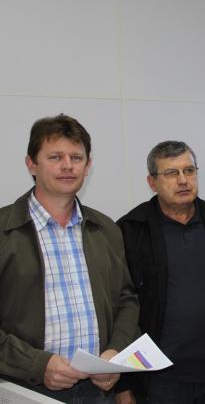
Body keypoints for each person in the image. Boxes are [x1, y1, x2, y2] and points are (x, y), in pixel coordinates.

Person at [0, 114, 139, 403]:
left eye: (76, 157)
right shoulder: (4, 230)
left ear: (88, 166)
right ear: (31, 164)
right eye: (55, 156)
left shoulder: (106, 229)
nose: (67, 165)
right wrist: (37, 365)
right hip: (23, 390)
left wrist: (116, 353)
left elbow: (126, 299)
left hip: (97, 390)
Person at [115, 141, 205, 403]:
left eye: (189, 171)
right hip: (158, 378)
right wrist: (123, 385)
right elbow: (118, 308)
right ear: (152, 182)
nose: (183, 180)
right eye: (171, 173)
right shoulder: (131, 231)